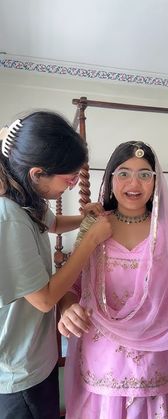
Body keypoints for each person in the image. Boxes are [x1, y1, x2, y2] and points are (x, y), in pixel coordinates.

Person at [58, 141, 168, 419]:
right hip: (106, 360)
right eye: (124, 173)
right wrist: (67, 306)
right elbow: (72, 285)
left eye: (144, 174)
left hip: (159, 359)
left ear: (155, 182)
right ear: (111, 178)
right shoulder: (94, 227)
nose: (134, 182)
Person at [0, 111, 112, 419]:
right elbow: (45, 298)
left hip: (37, 355)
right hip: (18, 369)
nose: (72, 186)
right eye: (69, 179)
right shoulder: (7, 215)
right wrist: (89, 241)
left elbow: (57, 223)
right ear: (37, 173)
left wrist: (87, 219)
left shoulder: (26, 198)